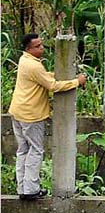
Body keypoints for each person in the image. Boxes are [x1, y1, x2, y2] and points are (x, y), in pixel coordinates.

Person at [9, 33, 88, 200]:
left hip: (18, 112)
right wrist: (76, 82)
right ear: (28, 49)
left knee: (23, 150)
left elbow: (44, 78)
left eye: (41, 45)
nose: (41, 48)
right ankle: (31, 190)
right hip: (31, 115)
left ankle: (23, 188)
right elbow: (52, 86)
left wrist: (61, 75)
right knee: (36, 151)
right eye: (37, 46)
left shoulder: (25, 61)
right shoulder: (34, 66)